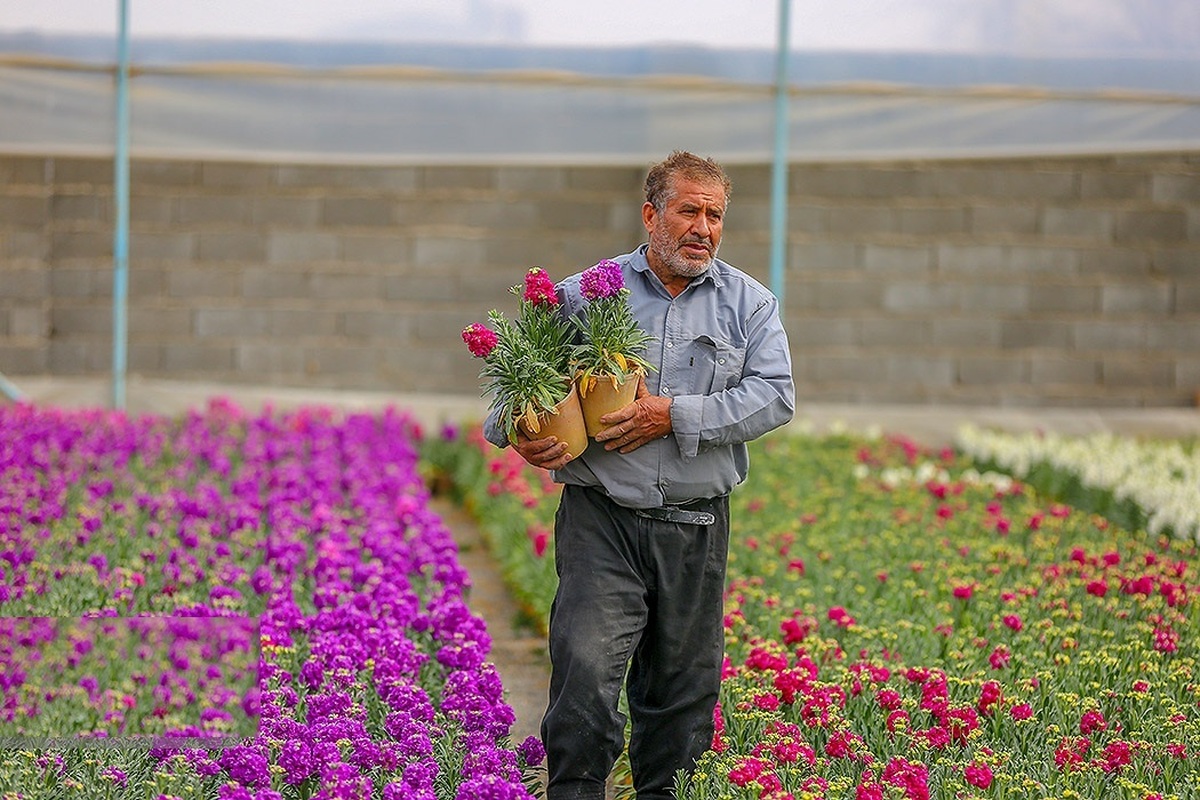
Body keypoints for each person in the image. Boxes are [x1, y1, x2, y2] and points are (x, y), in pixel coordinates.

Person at [484, 150, 795, 800]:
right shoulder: (582, 294)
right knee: (585, 682)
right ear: (651, 214)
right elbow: (512, 400)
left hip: (696, 529)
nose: (703, 227)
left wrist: (675, 415)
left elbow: (776, 396)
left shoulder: (750, 305)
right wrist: (522, 435)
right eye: (689, 210)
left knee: (680, 708)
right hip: (603, 522)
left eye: (715, 215)